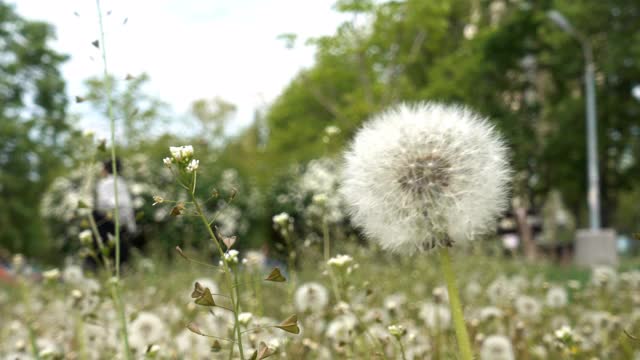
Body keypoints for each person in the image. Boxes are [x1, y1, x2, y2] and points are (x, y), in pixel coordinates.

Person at [91, 158, 137, 268]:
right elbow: (128, 205)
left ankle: (98, 266)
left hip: (108, 220)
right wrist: (131, 226)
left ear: (106, 169)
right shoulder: (121, 181)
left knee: (104, 247)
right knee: (121, 249)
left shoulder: (104, 182)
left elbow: (103, 203)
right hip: (122, 221)